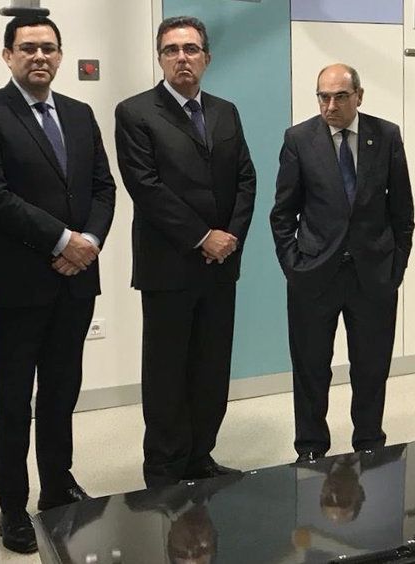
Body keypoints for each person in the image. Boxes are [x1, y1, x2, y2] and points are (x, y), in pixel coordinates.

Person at [0, 15, 116, 554]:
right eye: (27, 48)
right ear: (8, 55)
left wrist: (88, 241)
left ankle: (57, 487)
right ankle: (12, 507)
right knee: (12, 403)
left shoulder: (79, 113)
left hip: (76, 282)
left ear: (61, 55)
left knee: (61, 392)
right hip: (21, 285)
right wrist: (62, 241)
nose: (39, 57)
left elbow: (103, 186)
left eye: (48, 48)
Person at [114, 15, 257, 487]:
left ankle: (200, 457)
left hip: (220, 266)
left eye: (191, 49)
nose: (182, 58)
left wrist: (229, 236)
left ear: (207, 58)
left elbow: (245, 179)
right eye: (172, 50)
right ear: (160, 58)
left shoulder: (225, 112)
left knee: (211, 369)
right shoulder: (135, 113)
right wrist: (202, 237)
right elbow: (146, 187)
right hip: (168, 267)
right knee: (167, 373)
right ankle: (164, 469)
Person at [270, 63, 414, 461]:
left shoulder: (386, 136)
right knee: (311, 368)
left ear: (359, 96)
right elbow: (283, 213)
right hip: (314, 274)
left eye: (340, 97)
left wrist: (396, 266)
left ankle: (369, 444)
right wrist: (293, 265)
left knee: (371, 367)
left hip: (373, 275)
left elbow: (402, 210)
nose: (330, 105)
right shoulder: (299, 139)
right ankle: (311, 448)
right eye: (323, 97)